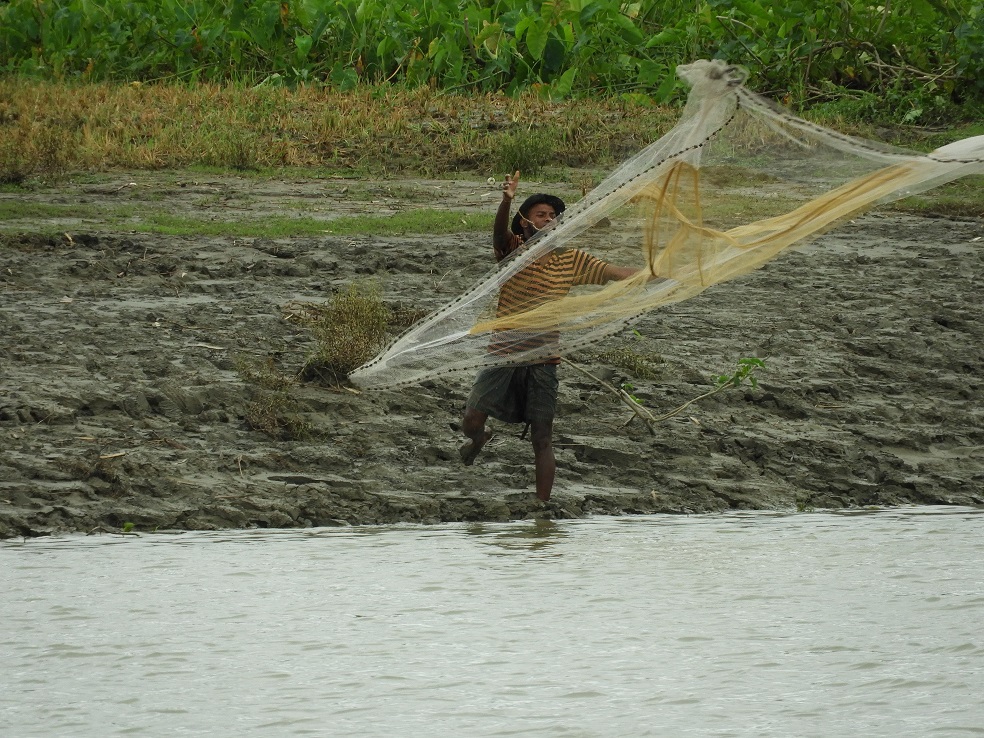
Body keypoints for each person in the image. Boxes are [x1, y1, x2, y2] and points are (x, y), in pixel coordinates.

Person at [458, 170, 637, 502]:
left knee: (542, 437)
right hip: (504, 353)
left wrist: (661, 272)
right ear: (525, 223)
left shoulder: (570, 260)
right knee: (471, 420)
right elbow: (498, 235)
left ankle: (542, 510)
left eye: (554, 216)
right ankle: (479, 439)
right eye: (542, 214)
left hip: (544, 359)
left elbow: (617, 273)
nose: (550, 219)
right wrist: (506, 201)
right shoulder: (513, 252)